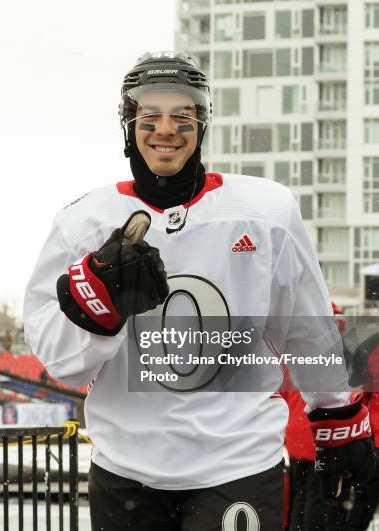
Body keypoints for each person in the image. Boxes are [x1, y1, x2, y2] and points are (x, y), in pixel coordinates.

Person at [23, 51, 375, 530]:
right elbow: (61, 363)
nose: (165, 129)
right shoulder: (83, 222)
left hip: (238, 464)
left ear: (202, 123)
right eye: (150, 116)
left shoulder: (266, 211)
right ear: (129, 125)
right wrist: (97, 314)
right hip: (127, 468)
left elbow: (303, 327)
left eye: (181, 115)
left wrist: (339, 418)